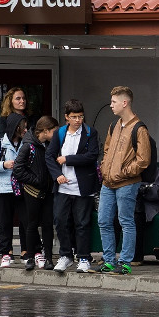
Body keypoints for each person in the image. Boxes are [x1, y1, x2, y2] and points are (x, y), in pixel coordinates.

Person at [99, 86, 151, 275]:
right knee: (104, 220)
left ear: (124, 103)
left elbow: (144, 159)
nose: (111, 105)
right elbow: (106, 150)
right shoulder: (113, 126)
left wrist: (123, 172)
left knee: (126, 221)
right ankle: (109, 261)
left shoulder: (139, 128)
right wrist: (105, 169)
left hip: (127, 183)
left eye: (113, 102)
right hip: (108, 182)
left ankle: (126, 262)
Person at [45, 99, 100, 274]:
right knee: (61, 221)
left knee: (82, 223)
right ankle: (66, 255)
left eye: (81, 116)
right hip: (63, 187)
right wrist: (58, 175)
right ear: (66, 117)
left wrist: (67, 159)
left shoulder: (91, 133)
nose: (78, 120)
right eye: (74, 117)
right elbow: (49, 156)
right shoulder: (60, 133)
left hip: (83, 187)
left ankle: (83, 258)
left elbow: (92, 156)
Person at [13, 115, 57, 271]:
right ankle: (30, 257)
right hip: (31, 191)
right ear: (45, 131)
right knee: (31, 225)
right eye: (54, 131)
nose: (56, 134)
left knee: (47, 225)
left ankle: (49, 259)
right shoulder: (28, 146)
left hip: (48, 192)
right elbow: (18, 169)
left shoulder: (49, 145)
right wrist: (36, 180)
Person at [0, 115, 27, 267]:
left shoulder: (25, 144)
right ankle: (6, 252)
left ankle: (26, 251)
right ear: (16, 127)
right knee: (4, 222)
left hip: (21, 188)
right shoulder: (0, 144)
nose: (26, 129)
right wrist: (4, 164)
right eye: (23, 127)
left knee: (25, 220)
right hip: (2, 188)